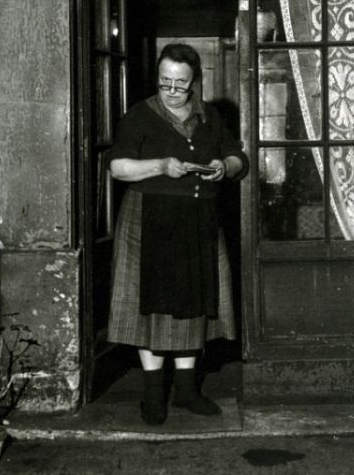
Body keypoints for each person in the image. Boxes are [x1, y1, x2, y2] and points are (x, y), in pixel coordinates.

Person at [106, 42, 249, 425]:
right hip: (147, 217)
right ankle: (153, 395)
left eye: (180, 84)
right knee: (149, 309)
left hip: (198, 219)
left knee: (192, 306)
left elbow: (240, 158)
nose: (171, 90)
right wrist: (160, 165)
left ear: (194, 82)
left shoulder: (210, 116)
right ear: (157, 78)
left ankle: (186, 391)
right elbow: (118, 167)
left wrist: (225, 166)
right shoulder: (139, 115)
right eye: (165, 82)